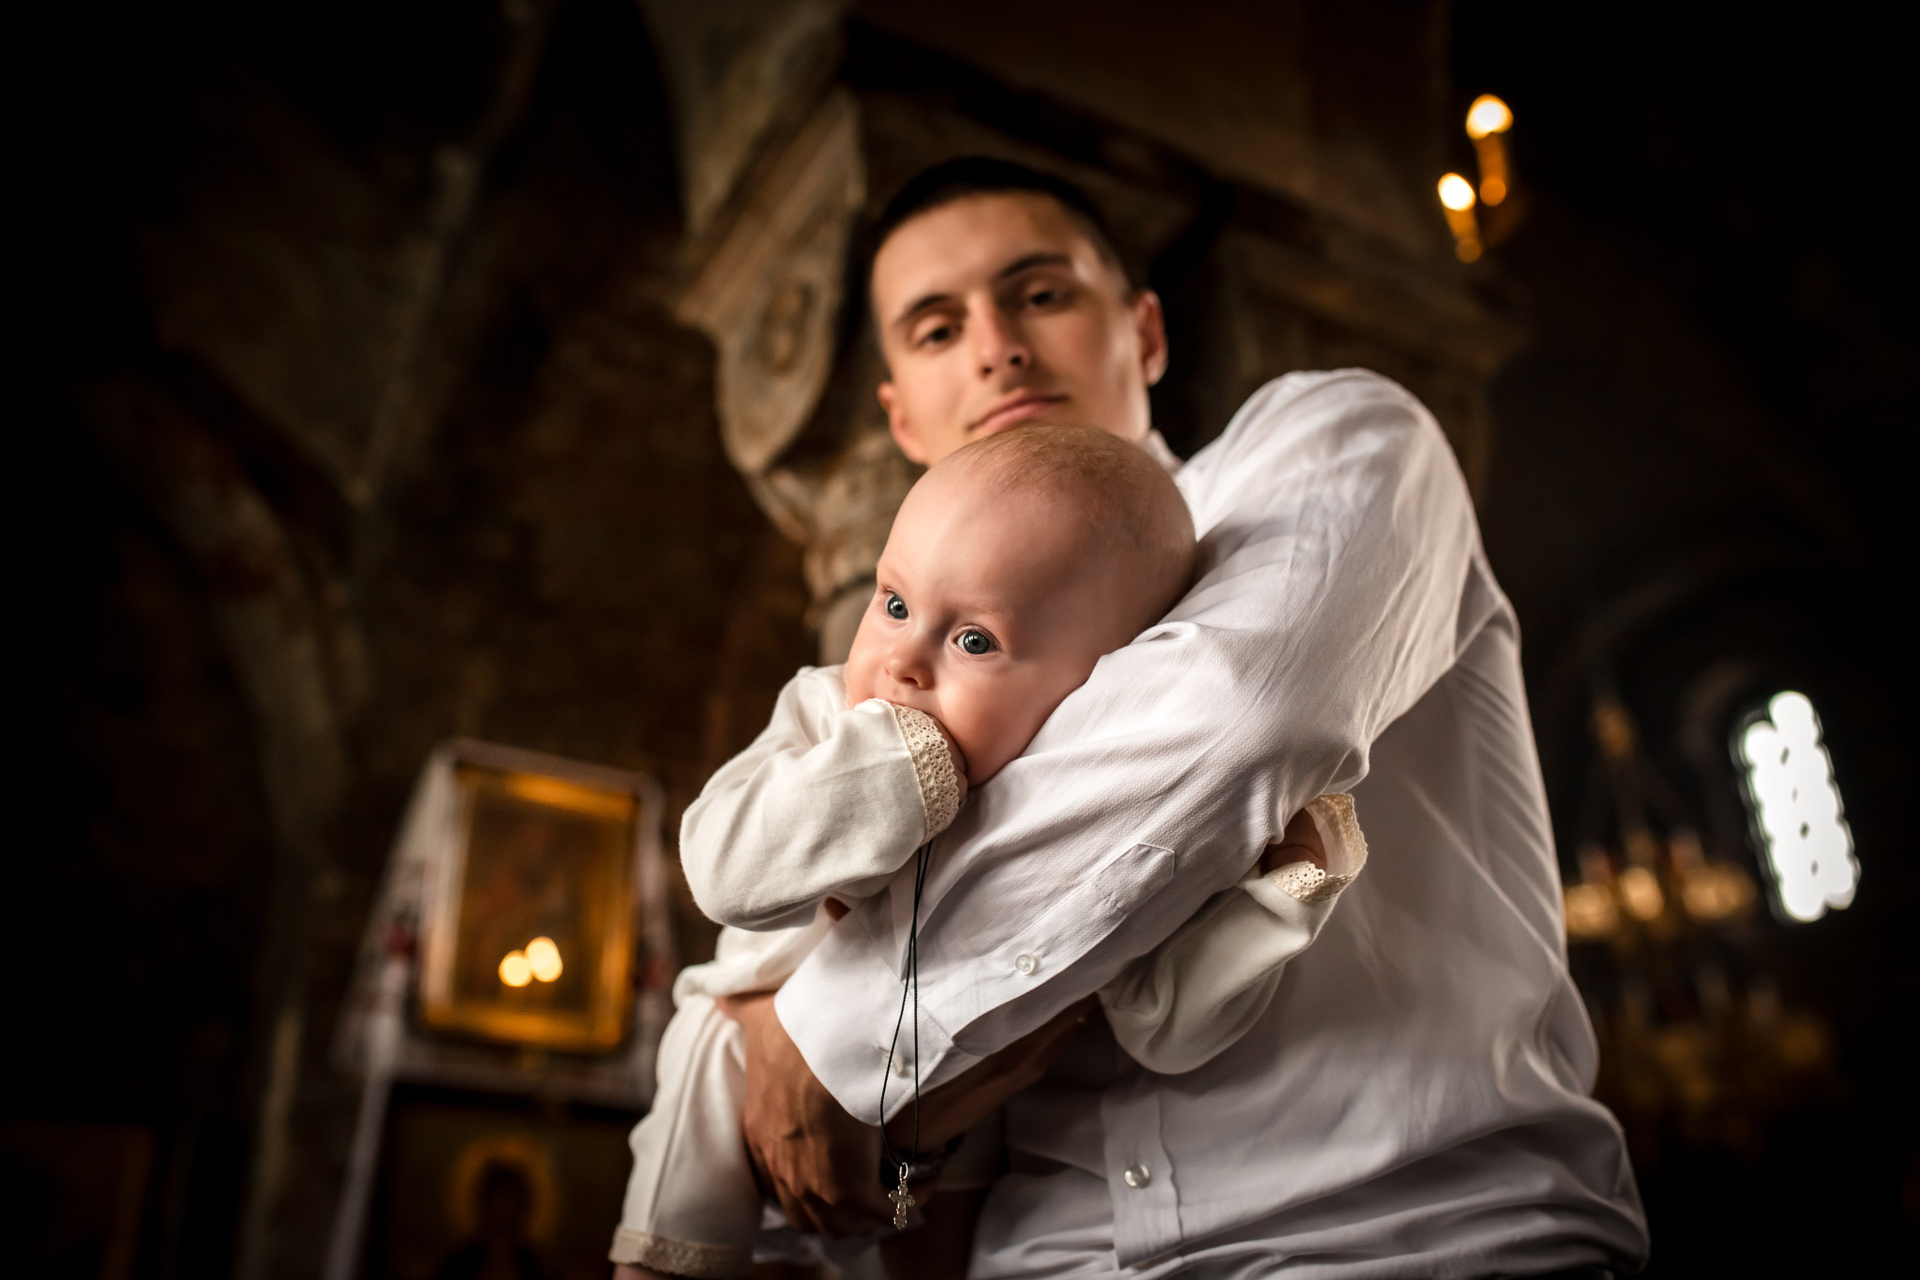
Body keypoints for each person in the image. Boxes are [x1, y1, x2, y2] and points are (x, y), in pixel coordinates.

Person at [668, 156, 1652, 1278]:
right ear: (898, 413)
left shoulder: (1329, 443)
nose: (996, 348)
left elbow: (1240, 719)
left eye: (1041, 293)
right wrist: (802, 1047)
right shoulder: (875, 684)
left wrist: (823, 1027)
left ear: (1143, 331)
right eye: (937, 330)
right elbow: (766, 1038)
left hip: (1413, 1235)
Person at [609, 424, 1368, 1278]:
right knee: (681, 1218)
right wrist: (896, 773)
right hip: (741, 1052)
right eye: (893, 603)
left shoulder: (1083, 820)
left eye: (974, 640)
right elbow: (722, 870)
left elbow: (1163, 1026)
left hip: (958, 1140)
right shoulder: (825, 717)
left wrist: (1272, 904)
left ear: (1100, 689)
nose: (901, 662)